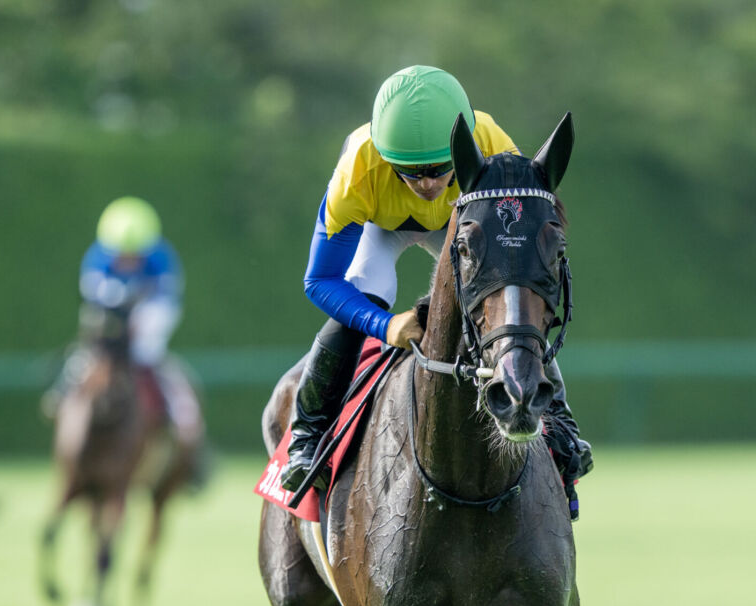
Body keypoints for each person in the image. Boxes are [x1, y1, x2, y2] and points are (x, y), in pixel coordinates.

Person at [279, 66, 592, 509]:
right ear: (384, 158)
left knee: (509, 299)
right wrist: (385, 325)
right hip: (380, 229)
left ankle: (560, 425)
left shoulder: (493, 145)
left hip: (459, 225)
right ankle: (307, 438)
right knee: (366, 289)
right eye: (408, 172)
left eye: (441, 169)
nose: (426, 184)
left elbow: (520, 253)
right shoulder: (356, 175)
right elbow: (320, 280)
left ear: (461, 153)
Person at [43, 197, 203, 450]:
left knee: (149, 354)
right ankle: (63, 390)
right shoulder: (97, 257)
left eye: (134, 254)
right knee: (88, 351)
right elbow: (93, 300)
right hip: (111, 314)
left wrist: (139, 320)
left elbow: (165, 301)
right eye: (122, 254)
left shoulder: (161, 258)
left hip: (150, 313)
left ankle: (182, 413)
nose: (128, 259)